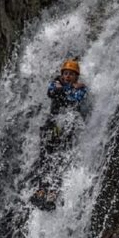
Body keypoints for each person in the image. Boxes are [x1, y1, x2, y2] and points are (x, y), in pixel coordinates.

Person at [30, 59, 89, 210]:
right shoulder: (56, 83)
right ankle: (41, 189)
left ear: (76, 77)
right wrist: (67, 89)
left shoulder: (81, 89)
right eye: (66, 74)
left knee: (61, 157)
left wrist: (65, 90)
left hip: (67, 127)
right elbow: (51, 93)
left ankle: (53, 192)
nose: (67, 76)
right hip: (53, 125)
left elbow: (75, 99)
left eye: (71, 74)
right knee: (45, 157)